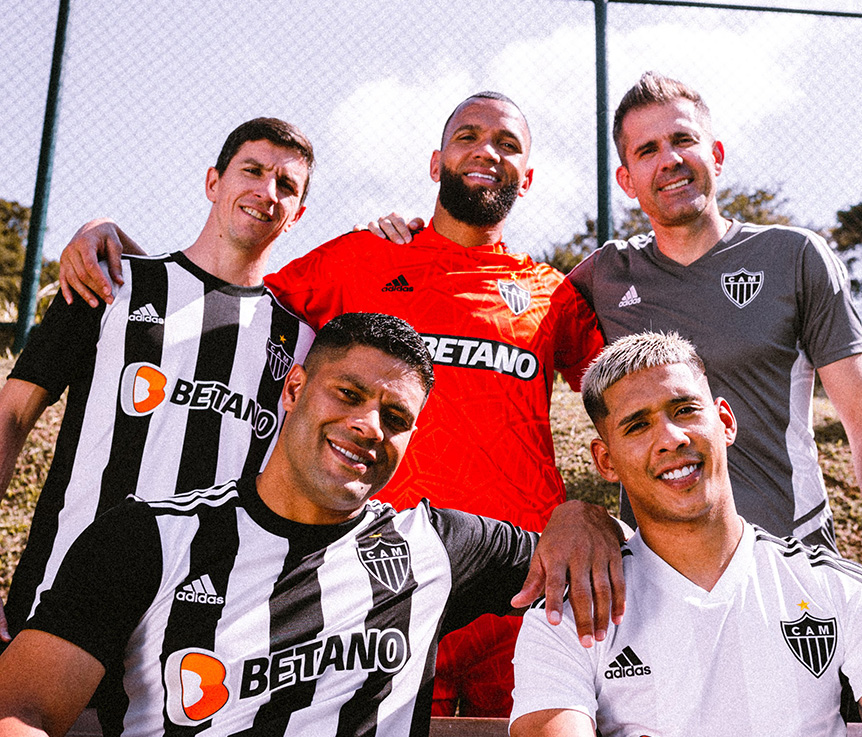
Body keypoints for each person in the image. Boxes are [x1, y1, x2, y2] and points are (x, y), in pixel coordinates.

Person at [55, 91, 605, 717]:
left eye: (508, 145)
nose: (487, 152)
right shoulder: (361, 257)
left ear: (527, 177)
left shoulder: (549, 294)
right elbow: (229, 298)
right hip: (381, 588)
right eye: (468, 137)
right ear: (436, 162)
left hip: (521, 585)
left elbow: (629, 395)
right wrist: (117, 244)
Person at [0, 312, 625, 737]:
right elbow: (22, 709)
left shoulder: (439, 548)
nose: (368, 426)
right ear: (294, 389)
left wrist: (580, 513)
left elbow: (638, 562)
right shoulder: (147, 538)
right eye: (348, 395)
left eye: (396, 416)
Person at [567, 72, 862, 612]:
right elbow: (499, 319)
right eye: (648, 150)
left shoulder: (794, 257)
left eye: (683, 140)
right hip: (662, 581)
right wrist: (411, 239)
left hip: (793, 562)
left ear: (716, 154)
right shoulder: (604, 277)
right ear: (627, 179)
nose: (670, 160)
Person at [510, 331, 862, 737]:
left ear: (725, 422)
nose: (671, 437)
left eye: (685, 409)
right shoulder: (566, 619)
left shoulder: (840, 591)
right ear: (605, 461)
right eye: (637, 425)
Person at [0, 118, 317, 642]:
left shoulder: (301, 342)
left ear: (297, 214)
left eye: (286, 186)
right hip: (64, 596)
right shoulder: (109, 283)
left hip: (201, 628)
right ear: (213, 182)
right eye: (253, 171)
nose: (266, 192)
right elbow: (12, 413)